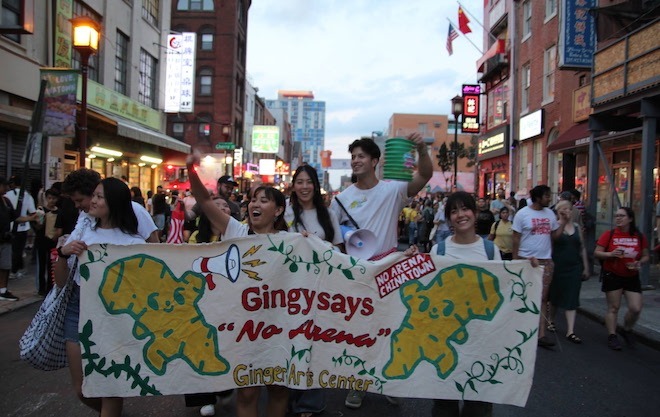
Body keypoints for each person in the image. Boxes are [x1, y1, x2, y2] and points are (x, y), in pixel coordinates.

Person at [329, 133, 432, 409]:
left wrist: (421, 149)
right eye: (353, 157)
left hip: (389, 272)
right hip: (358, 274)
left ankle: (389, 382)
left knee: (390, 329)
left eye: (361, 156)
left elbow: (424, 175)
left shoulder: (393, 190)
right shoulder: (341, 199)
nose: (356, 161)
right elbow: (332, 238)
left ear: (375, 161)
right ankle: (357, 385)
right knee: (357, 332)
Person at [187, 152, 290, 417]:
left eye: (264, 201)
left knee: (278, 389)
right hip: (244, 328)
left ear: (278, 210)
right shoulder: (237, 231)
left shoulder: (293, 242)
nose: (254, 204)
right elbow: (204, 200)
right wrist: (191, 170)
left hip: (281, 326)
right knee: (247, 391)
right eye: (253, 199)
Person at [53, 177, 152, 417]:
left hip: (114, 317)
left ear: (114, 202)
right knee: (83, 390)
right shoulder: (82, 234)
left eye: (99, 196)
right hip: (79, 310)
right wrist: (63, 254)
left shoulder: (133, 243)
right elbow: (61, 282)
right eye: (93, 195)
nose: (92, 201)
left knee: (109, 388)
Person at [430, 191, 500, 417]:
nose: (460, 215)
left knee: (478, 407)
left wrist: (529, 270)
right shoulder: (439, 250)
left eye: (465, 209)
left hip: (481, 343)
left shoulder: (490, 250)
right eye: (454, 211)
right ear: (448, 218)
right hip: (445, 343)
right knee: (444, 407)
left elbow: (501, 292)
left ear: (475, 213)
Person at [286, 164, 344, 417]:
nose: (304, 186)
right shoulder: (285, 211)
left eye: (309, 181)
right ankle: (290, 399)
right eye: (299, 181)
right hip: (288, 291)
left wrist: (319, 245)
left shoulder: (327, 214)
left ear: (315, 185)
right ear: (293, 185)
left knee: (315, 345)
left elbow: (339, 249)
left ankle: (310, 404)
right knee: (290, 343)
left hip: (321, 290)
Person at [512, 185, 565, 348]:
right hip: (526, 260)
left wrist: (563, 221)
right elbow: (515, 238)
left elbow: (555, 236)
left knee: (542, 298)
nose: (550, 199)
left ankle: (541, 334)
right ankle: (519, 329)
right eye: (547, 196)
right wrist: (516, 261)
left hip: (546, 261)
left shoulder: (550, 214)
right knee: (524, 297)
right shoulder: (522, 214)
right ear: (538, 197)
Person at [594, 207, 649, 350]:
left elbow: (646, 255)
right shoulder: (609, 234)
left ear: (630, 219)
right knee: (613, 307)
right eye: (617, 216)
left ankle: (627, 329)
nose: (618, 218)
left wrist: (639, 262)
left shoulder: (638, 236)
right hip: (613, 274)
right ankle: (612, 336)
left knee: (636, 308)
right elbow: (597, 253)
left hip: (631, 275)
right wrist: (611, 254)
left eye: (622, 216)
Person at [547, 200, 590, 344]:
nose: (567, 211)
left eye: (569, 209)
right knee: (555, 294)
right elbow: (552, 244)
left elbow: (582, 247)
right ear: (558, 212)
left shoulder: (577, 227)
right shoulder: (555, 227)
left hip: (574, 266)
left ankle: (570, 330)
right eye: (563, 209)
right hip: (558, 265)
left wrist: (586, 266)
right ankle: (551, 319)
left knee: (572, 296)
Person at [1, 176, 37, 301]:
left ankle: (3, 289)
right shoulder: (25, 196)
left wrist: (32, 218)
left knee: (6, 264)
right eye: (4, 185)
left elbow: (16, 217)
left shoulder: (6, 200)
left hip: (7, 235)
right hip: (15, 232)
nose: (6, 187)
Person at [6, 175, 37, 279]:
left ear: (13, 184)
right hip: (22, 228)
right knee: (18, 250)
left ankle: (11, 270)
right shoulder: (27, 195)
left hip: (8, 227)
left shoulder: (6, 195)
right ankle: (15, 270)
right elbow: (33, 212)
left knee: (9, 250)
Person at [33, 188, 60, 295]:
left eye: (54, 198)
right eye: (50, 198)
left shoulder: (59, 211)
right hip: (41, 241)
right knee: (41, 265)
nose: (52, 200)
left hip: (53, 242)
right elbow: (37, 226)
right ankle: (41, 288)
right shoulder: (41, 210)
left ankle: (50, 286)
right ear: (46, 198)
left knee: (51, 265)